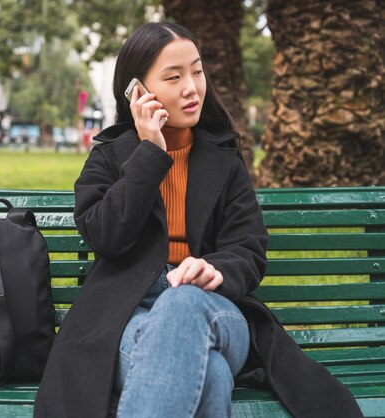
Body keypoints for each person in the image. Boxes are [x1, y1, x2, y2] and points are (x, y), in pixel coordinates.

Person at [34, 22, 362, 418]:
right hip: (128, 315)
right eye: (174, 77)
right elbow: (106, 235)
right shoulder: (109, 157)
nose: (192, 87)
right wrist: (150, 154)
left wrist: (215, 269)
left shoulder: (224, 157)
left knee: (183, 304)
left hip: (215, 307)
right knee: (212, 375)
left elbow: (249, 249)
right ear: (138, 91)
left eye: (197, 70)